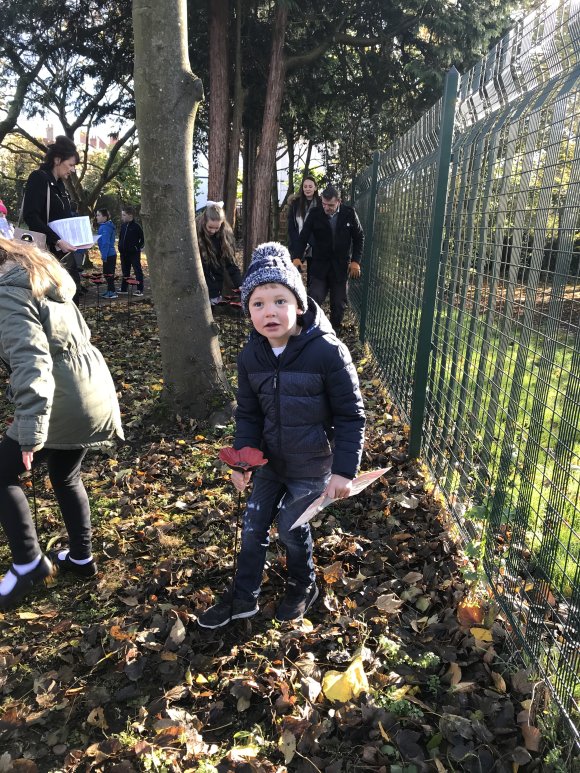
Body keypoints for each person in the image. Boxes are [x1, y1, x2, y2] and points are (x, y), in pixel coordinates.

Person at [197, 242, 365, 629]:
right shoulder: (250, 356)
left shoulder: (327, 352)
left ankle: (303, 584)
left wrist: (344, 471)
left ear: (299, 305)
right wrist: (243, 459)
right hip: (271, 462)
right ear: (246, 309)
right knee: (253, 523)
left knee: (290, 526)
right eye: (258, 303)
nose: (269, 311)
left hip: (312, 464)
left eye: (279, 301)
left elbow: (351, 416)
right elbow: (250, 414)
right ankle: (244, 596)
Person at [0, 237, 124, 610]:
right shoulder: (41, 275)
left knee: (1, 473)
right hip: (92, 390)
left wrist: (29, 433)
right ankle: (82, 557)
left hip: (61, 400)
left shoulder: (8, 293)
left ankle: (28, 562)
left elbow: (31, 361)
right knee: (65, 475)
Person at [293, 185, 364, 332]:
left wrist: (356, 261)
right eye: (324, 204)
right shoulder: (315, 213)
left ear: (339, 201)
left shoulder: (349, 213)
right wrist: (297, 257)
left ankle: (334, 330)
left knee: (338, 303)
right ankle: (311, 329)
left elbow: (359, 237)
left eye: (330, 205)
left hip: (340, 266)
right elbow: (303, 236)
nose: (326, 208)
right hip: (320, 265)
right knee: (314, 297)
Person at [22, 135, 82, 303]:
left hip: (64, 253)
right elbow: (31, 216)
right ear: (57, 160)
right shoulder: (39, 178)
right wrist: (56, 240)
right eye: (70, 165)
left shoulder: (61, 186)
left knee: (72, 292)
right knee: (54, 300)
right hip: (45, 253)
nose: (72, 170)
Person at [196, 201, 242, 304]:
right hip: (198, 283)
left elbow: (231, 263)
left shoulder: (224, 237)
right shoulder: (195, 234)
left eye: (216, 228)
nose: (213, 231)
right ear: (204, 222)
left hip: (216, 283)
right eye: (210, 227)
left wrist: (240, 284)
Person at [287, 175, 320, 270]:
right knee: (293, 274)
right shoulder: (295, 203)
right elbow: (291, 227)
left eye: (310, 186)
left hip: (315, 246)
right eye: (305, 186)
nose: (307, 189)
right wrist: (297, 242)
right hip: (297, 244)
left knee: (313, 277)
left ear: (315, 188)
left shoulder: (321, 203)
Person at [118, 205, 144, 296]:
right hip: (123, 253)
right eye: (122, 215)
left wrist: (137, 248)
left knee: (137, 270)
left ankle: (139, 289)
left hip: (134, 253)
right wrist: (120, 247)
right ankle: (124, 289)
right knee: (125, 271)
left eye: (124, 215)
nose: (122, 217)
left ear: (130, 215)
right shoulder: (123, 225)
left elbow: (143, 239)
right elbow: (121, 237)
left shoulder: (137, 226)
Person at [96, 208, 118, 298]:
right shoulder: (106, 226)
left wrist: (104, 256)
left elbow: (106, 243)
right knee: (107, 273)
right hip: (110, 254)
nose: (96, 217)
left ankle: (112, 292)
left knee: (108, 273)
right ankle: (109, 290)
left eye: (98, 215)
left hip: (109, 254)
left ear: (104, 217)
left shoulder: (105, 227)